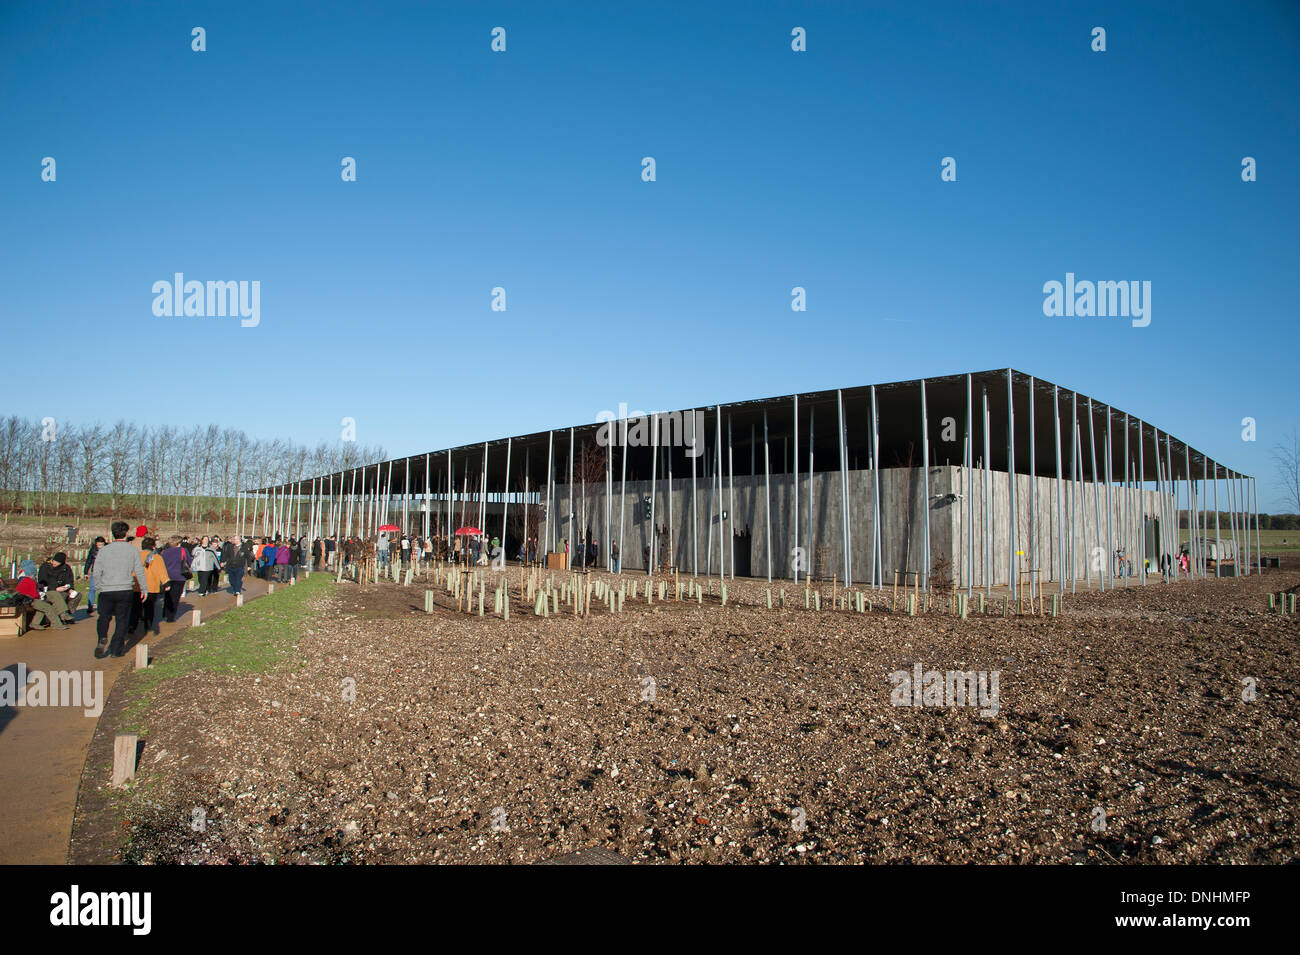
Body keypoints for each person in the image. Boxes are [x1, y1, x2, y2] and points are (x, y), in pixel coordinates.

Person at [91, 521, 149, 658]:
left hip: (106, 589)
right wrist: (144, 589)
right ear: (126, 533)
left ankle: (102, 637)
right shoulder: (133, 550)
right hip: (125, 589)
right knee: (122, 620)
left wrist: (99, 587)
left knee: (104, 617)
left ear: (112, 533)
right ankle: (116, 649)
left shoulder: (104, 550)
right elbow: (139, 570)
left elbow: (96, 570)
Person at [128, 537, 168, 636]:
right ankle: (148, 625)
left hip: (137, 586)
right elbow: (161, 571)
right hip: (151, 587)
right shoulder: (157, 557)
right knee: (149, 607)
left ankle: (132, 625)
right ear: (153, 546)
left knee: (135, 607)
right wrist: (166, 582)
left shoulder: (136, 556)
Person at [36, 552, 79, 624]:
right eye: (55, 561)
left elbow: (70, 580)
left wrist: (70, 588)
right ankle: (61, 615)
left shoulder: (66, 568)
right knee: (61, 595)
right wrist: (55, 588)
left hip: (63, 588)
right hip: (49, 590)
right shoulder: (45, 567)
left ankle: (67, 613)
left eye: (58, 562)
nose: (55, 563)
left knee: (77, 595)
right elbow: (42, 581)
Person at [82, 536, 106, 616]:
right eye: (98, 545)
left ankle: (101, 606)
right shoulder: (93, 550)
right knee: (92, 588)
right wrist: (86, 572)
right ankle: (90, 605)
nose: (100, 547)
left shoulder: (108, 549)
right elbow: (89, 560)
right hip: (95, 571)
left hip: (104, 572)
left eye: (101, 545)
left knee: (102, 590)